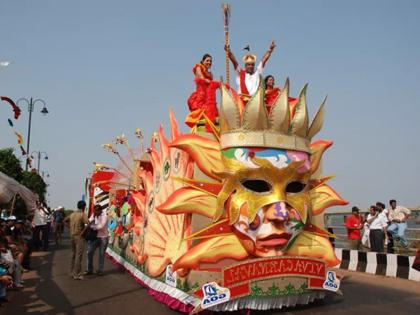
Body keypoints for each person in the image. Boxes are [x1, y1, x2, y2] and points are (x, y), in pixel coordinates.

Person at [225, 41, 276, 105]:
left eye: (252, 65)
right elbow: (234, 61)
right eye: (248, 65)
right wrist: (228, 51)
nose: (250, 66)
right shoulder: (240, 73)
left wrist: (270, 50)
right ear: (245, 66)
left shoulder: (257, 73)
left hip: (254, 103)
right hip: (241, 102)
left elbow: (263, 60)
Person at [187, 54, 219, 125]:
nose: (209, 62)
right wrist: (207, 81)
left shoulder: (211, 74)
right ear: (202, 61)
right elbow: (201, 76)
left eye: (210, 61)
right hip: (201, 96)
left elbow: (211, 85)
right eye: (207, 61)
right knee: (201, 114)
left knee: (214, 116)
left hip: (209, 97)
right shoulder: (199, 67)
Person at [65, 200, 88, 280]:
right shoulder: (82, 214)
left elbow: (64, 221)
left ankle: (71, 272)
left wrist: (70, 227)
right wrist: (82, 232)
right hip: (79, 236)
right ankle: (77, 274)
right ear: (84, 207)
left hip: (72, 235)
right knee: (79, 255)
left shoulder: (72, 214)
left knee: (73, 254)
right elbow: (88, 224)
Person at [85, 205, 109, 276]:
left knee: (101, 254)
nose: (94, 212)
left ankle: (100, 270)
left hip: (103, 237)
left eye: (96, 211)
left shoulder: (104, 216)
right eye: (94, 211)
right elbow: (88, 221)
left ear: (100, 211)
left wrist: (92, 226)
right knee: (89, 252)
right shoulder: (94, 214)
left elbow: (101, 226)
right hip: (95, 237)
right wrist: (88, 223)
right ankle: (89, 269)